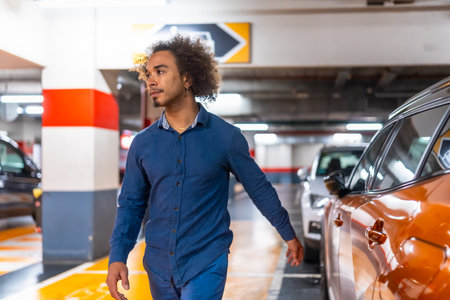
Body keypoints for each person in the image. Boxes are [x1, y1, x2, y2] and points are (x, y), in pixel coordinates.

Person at [106, 34, 304, 300]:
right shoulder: (142, 144)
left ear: (188, 79)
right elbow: (131, 204)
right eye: (149, 73)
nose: (151, 80)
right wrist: (117, 257)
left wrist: (287, 233)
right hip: (158, 266)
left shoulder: (226, 137)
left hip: (206, 261)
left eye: (161, 71)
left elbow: (258, 188)